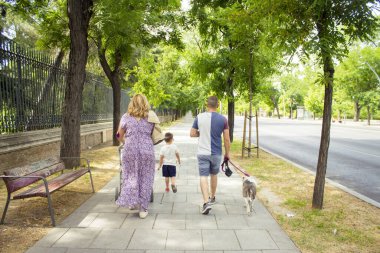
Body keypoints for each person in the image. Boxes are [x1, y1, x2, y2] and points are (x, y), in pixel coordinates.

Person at [115, 94, 157, 219]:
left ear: (132, 103)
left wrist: (124, 142)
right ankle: (143, 208)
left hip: (130, 150)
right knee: (146, 177)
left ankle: (132, 202)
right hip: (147, 150)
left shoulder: (126, 117)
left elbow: (118, 135)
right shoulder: (151, 116)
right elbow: (154, 133)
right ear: (145, 103)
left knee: (130, 176)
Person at [190, 96, 230, 215]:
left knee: (203, 176)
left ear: (207, 105)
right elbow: (227, 139)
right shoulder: (223, 119)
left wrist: (201, 134)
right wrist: (228, 154)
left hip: (202, 152)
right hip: (216, 153)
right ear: (217, 105)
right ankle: (212, 197)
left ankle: (206, 202)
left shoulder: (199, 117)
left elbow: (192, 133)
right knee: (214, 174)